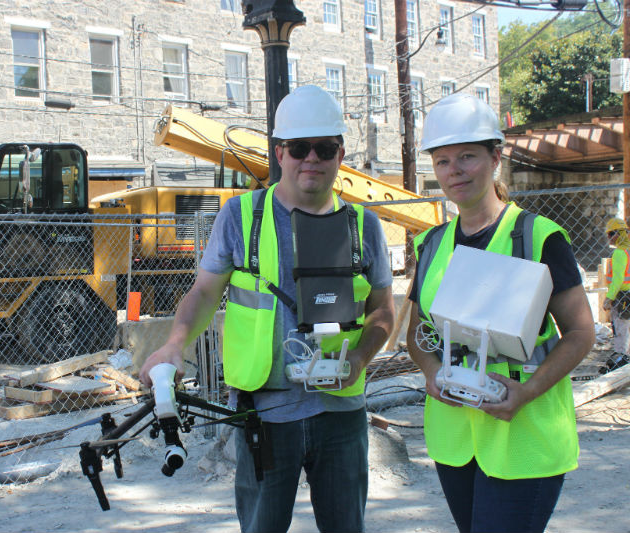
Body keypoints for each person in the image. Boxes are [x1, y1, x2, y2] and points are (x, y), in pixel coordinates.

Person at [139, 85, 395, 533]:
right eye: (299, 148)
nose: (310, 158)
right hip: (264, 412)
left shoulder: (364, 226)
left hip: (339, 415)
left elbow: (383, 313)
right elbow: (202, 293)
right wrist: (175, 344)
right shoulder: (240, 217)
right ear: (280, 153)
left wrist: (359, 358)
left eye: (324, 148)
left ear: (340, 154)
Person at [405, 93, 595, 533]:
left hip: (523, 437)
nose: (455, 171)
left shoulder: (539, 238)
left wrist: (526, 393)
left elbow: (581, 333)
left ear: (495, 157)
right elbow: (417, 334)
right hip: (456, 441)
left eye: (467, 156)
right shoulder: (431, 244)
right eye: (443, 160)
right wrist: (433, 372)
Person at [600, 217, 630, 373]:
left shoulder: (619, 253)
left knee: (620, 330)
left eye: (610, 234)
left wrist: (609, 298)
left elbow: (618, 279)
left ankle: (622, 360)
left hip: (622, 296)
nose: (608, 238)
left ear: (618, 234)